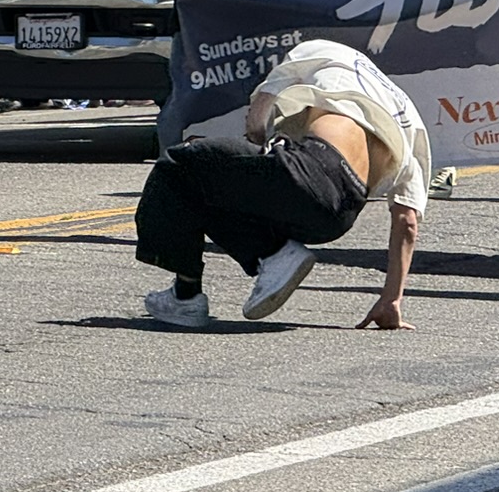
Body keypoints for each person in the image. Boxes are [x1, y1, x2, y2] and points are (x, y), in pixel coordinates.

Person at [135, 38, 432, 330]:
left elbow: (257, 122)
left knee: (179, 163)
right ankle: (267, 257)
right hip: (337, 217)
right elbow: (407, 221)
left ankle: (196, 291)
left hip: (310, 171)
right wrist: (391, 299)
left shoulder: (319, 52)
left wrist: (249, 142)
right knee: (212, 189)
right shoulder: (409, 118)